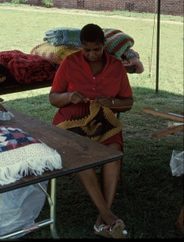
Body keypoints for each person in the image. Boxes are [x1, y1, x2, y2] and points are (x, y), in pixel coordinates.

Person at [49, 23, 133, 239]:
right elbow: (53, 98)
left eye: (96, 49)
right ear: (81, 47)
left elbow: (128, 102)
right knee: (81, 154)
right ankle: (107, 216)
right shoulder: (69, 62)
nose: (92, 54)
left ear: (104, 45)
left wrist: (112, 101)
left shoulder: (116, 66)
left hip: (104, 120)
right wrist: (69, 97)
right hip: (71, 120)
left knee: (113, 153)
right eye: (87, 50)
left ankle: (100, 221)